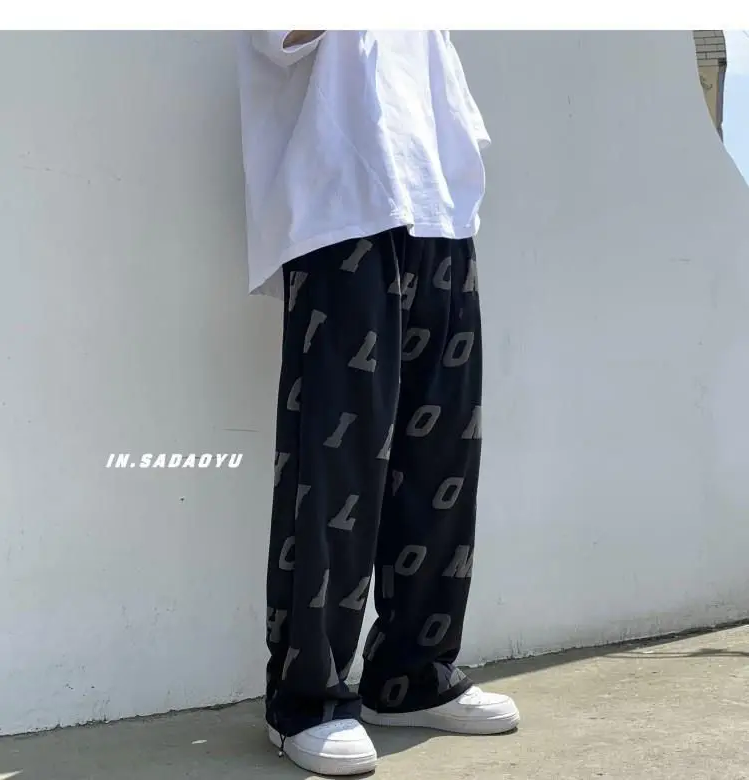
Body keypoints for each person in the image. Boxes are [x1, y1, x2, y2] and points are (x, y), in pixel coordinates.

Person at [236, 30, 520, 776]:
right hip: (343, 211)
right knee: (335, 469)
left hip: (439, 209)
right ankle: (306, 699)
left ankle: (412, 675)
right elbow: (280, 35)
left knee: (442, 458)